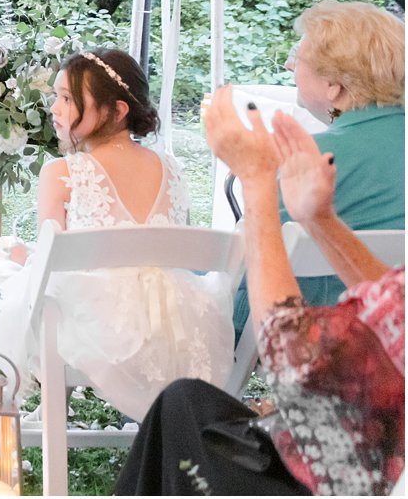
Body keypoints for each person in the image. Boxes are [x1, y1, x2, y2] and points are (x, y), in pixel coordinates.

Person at [117, 86, 404, 495]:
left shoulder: (341, 150)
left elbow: (296, 358)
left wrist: (256, 183)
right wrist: (319, 220)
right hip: (362, 441)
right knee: (186, 400)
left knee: (179, 415)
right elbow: (393, 298)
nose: (289, 67)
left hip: (350, 474)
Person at [0, 49, 232, 421]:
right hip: (179, 326)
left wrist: (21, 255)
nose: (55, 109)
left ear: (116, 111)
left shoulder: (62, 173)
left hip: (105, 331)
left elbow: (48, 267)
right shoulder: (173, 168)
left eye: (67, 99)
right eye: (56, 97)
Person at [230, 0, 405, 333]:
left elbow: (250, 255)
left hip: (324, 337)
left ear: (333, 86)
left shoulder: (312, 160)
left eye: (299, 57)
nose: (287, 65)